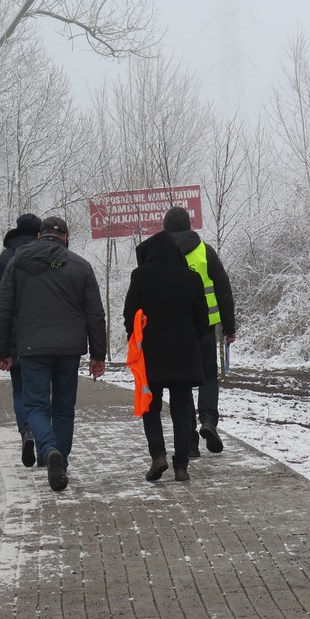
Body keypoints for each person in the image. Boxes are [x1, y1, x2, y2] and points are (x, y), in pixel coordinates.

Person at [0, 216, 106, 492]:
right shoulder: (80, 266)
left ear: (40, 236)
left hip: (32, 348)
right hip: (69, 350)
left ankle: (49, 449)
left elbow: (2, 308)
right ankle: (61, 464)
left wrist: (2, 349)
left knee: (35, 406)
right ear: (65, 237)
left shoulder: (18, 262)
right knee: (64, 410)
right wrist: (98, 355)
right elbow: (95, 314)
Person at [123, 230, 209, 482]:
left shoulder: (140, 276)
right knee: (182, 406)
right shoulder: (192, 279)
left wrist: (137, 337)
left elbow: (130, 315)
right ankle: (181, 465)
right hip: (184, 351)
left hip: (151, 352)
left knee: (151, 405)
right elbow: (202, 320)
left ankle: (158, 456)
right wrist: (190, 337)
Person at [162, 206, 237, 457]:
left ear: (165, 227)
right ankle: (208, 420)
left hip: (171, 330)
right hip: (205, 326)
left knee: (180, 386)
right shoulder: (205, 251)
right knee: (208, 376)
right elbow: (223, 290)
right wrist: (229, 326)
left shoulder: (158, 253)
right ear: (189, 225)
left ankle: (189, 443)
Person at [0, 212, 42, 468]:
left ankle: (26, 431)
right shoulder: (47, 255)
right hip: (43, 336)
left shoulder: (7, 257)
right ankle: (43, 438)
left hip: (15, 340)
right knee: (42, 392)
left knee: (19, 390)